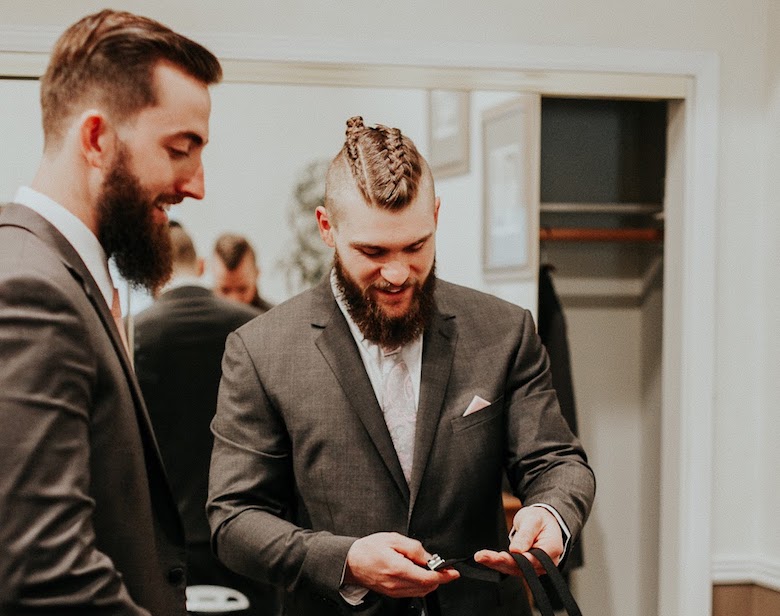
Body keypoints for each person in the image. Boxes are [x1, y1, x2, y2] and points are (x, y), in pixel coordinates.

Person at [207, 116, 595, 616]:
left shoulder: (503, 330)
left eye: (416, 247)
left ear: (434, 215)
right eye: (372, 251)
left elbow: (557, 461)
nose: (396, 273)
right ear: (327, 227)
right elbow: (234, 519)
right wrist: (345, 559)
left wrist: (550, 514)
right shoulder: (261, 349)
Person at [0, 10, 221, 614]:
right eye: (181, 149)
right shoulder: (29, 289)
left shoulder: (53, 269)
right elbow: (42, 573)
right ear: (97, 139)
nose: (196, 185)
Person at [134, 221, 280, 615]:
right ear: (199, 266)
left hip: (168, 532)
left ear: (150, 273)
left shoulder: (134, 334)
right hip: (250, 525)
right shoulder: (254, 326)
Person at [213, 233, 274, 311]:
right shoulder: (199, 319)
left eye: (242, 289)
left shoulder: (279, 319)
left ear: (257, 274)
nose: (234, 301)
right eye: (225, 290)